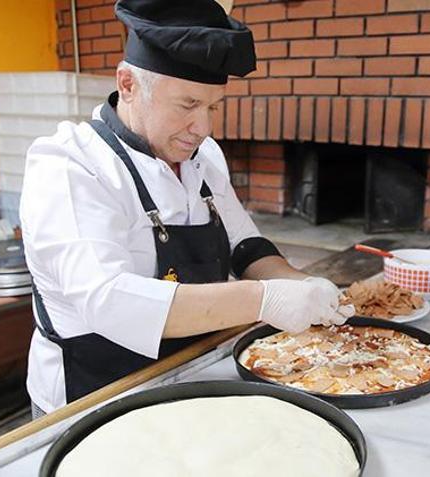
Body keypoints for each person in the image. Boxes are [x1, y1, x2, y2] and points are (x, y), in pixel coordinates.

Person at [20, 0, 353, 417]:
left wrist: (303, 287)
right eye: (188, 104)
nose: (205, 128)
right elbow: (107, 300)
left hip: (187, 374)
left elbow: (244, 244)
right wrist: (264, 300)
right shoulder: (69, 164)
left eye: (213, 107)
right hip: (95, 398)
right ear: (128, 84)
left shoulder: (204, 154)